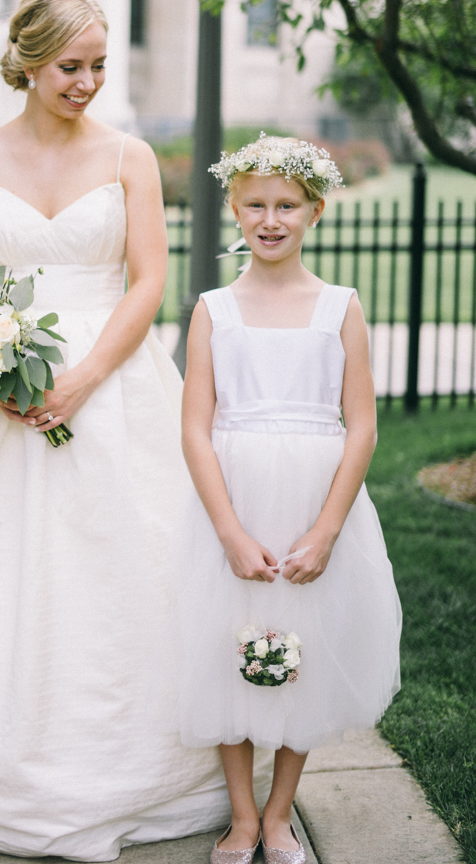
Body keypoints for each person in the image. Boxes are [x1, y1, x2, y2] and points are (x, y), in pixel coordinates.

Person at [0, 0, 270, 858]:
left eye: (98, 67)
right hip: (1, 384)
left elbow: (150, 282)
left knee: (122, 559)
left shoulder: (128, 158)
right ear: (28, 65)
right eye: (70, 68)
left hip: (111, 380)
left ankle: (130, 762)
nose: (87, 83)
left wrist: (83, 378)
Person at [178, 135, 402, 864]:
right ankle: (242, 816)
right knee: (227, 648)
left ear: (315, 210)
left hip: (313, 502)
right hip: (236, 501)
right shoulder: (214, 308)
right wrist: (229, 532)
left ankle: (281, 815)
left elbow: (361, 425)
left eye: (286, 206)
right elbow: (195, 428)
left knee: (303, 651)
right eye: (255, 206)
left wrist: (329, 528)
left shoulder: (339, 306)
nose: (270, 220)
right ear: (234, 211)